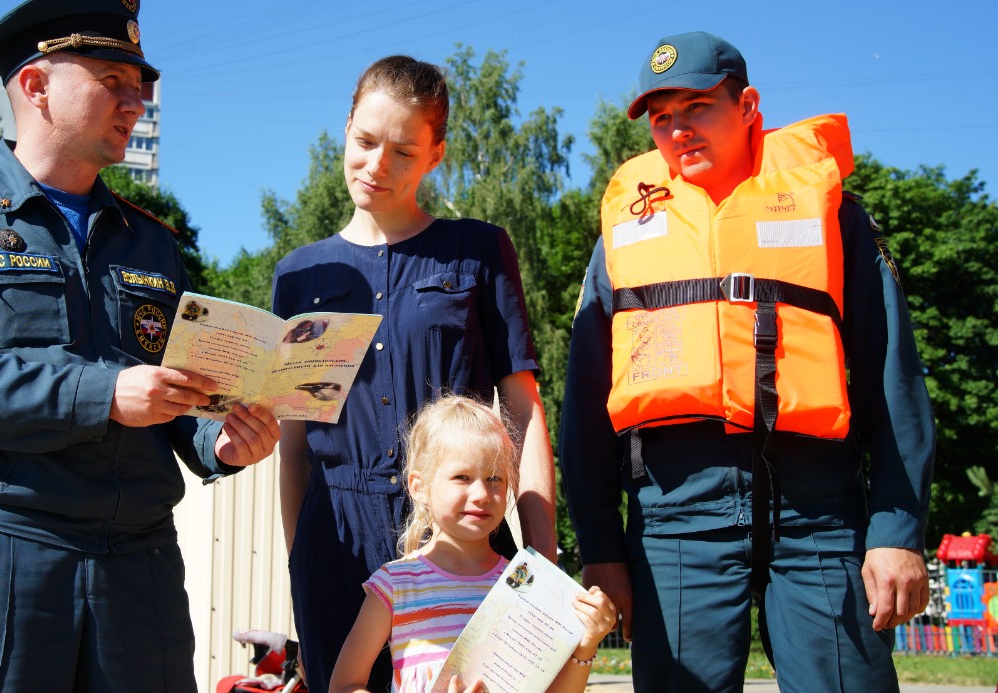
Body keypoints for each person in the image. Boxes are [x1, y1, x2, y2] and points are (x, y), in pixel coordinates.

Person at [0, 1, 281, 690]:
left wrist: (220, 442)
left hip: (140, 563)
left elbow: (176, 391)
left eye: (139, 85)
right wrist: (104, 393)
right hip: (1, 548)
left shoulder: (152, 241)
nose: (136, 102)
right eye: (112, 80)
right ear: (35, 86)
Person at [558, 31, 936, 693]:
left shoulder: (836, 217)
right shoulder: (623, 235)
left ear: (749, 104)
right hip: (675, 520)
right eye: (662, 118)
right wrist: (601, 547)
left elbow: (892, 379)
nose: (678, 131)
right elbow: (584, 407)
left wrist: (896, 528)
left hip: (819, 513)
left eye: (698, 107)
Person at [271, 55, 558, 691]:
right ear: (346, 128)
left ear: (436, 155)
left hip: (458, 536)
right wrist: (301, 559)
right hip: (334, 541)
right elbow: (295, 443)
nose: (377, 166)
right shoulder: (297, 276)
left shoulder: (478, 250)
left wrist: (542, 558)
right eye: (366, 141)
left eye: (404, 151)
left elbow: (523, 409)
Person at [328, 396, 616, 693]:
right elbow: (344, 684)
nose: (481, 493)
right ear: (419, 487)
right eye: (462, 477)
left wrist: (584, 647)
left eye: (495, 478)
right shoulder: (394, 584)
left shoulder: (527, 587)